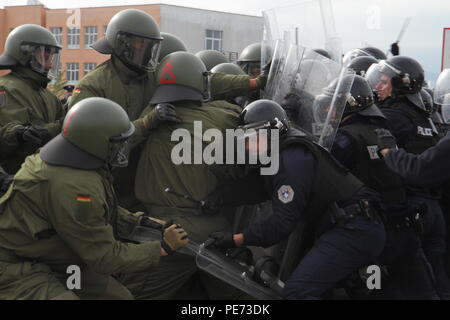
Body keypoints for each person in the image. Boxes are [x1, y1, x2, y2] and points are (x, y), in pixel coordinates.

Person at [0, 97, 189, 300]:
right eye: (118, 144)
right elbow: (104, 257)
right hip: (13, 266)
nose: (123, 149)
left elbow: (91, 213)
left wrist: (138, 222)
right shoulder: (75, 186)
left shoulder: (73, 159)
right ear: (97, 142)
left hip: (52, 255)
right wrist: (161, 248)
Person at [204, 99, 386, 300]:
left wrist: (234, 239)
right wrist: (219, 197)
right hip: (346, 225)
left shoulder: (292, 161)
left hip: (354, 229)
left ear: (272, 132)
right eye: (245, 139)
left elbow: (281, 224)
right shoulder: (283, 150)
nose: (248, 145)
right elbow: (258, 186)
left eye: (252, 137)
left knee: (297, 293)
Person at [119, 51, 248, 300]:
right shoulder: (226, 116)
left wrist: (148, 122)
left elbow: (112, 143)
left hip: (168, 230)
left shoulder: (151, 117)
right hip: (216, 228)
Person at [330, 75, 438, 299]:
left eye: (333, 104)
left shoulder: (344, 138)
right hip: (405, 228)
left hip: (374, 236)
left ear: (345, 104)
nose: (328, 111)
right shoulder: (384, 132)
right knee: (423, 291)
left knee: (373, 291)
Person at [366, 56, 450, 298]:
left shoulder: (389, 118)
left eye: (383, 82)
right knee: (435, 276)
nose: (377, 87)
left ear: (400, 84)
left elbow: (418, 169)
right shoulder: (425, 118)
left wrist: (388, 152)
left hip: (407, 208)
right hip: (433, 209)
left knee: (395, 280)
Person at [0, 24, 64, 174]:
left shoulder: (49, 96)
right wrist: (59, 126)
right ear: (25, 54)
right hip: (14, 182)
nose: (50, 65)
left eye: (51, 58)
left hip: (42, 180)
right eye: (44, 57)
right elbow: (27, 141)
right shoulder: (5, 90)